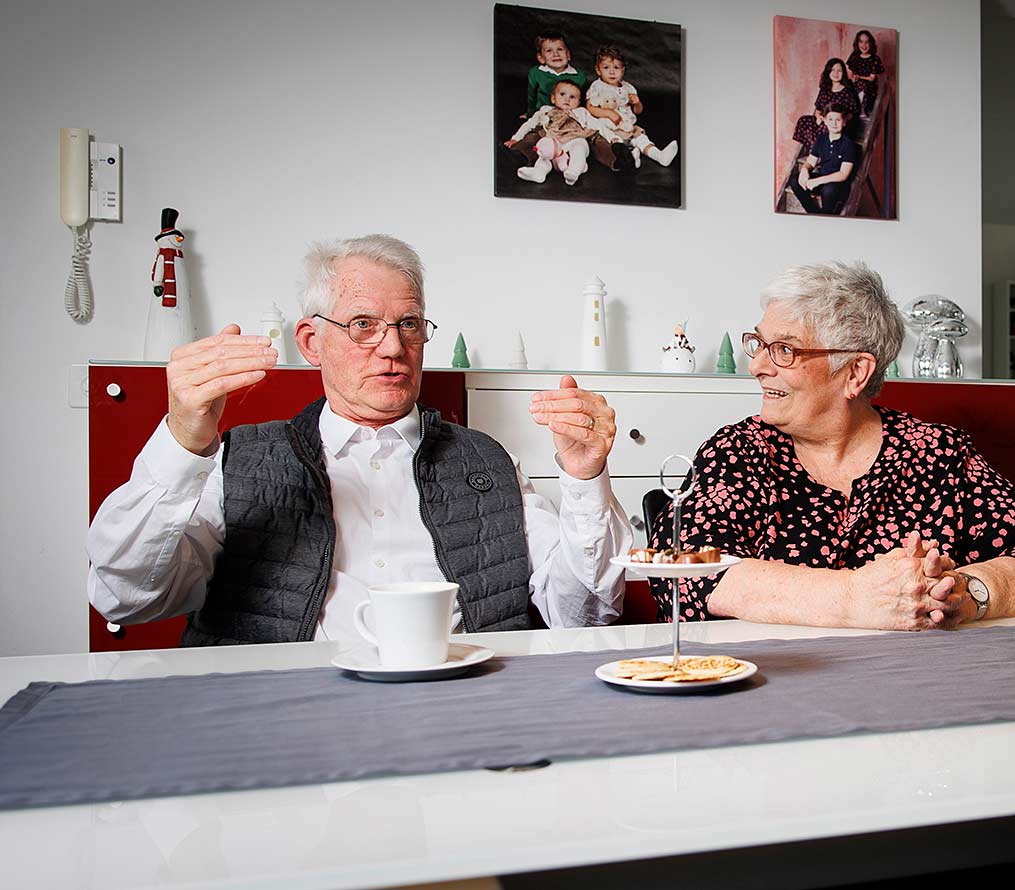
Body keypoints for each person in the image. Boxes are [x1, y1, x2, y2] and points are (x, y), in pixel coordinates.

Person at [88, 235, 631, 645]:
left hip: (461, 716)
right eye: (363, 324)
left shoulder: (486, 459)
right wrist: (182, 443)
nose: (392, 347)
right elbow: (125, 596)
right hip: (282, 728)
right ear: (311, 341)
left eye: (409, 324)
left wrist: (585, 481)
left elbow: (584, 618)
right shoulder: (239, 459)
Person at [647, 262, 1015, 630]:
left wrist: (967, 593)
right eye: (759, 344)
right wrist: (852, 597)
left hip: (918, 690)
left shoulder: (938, 455)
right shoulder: (738, 452)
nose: (757, 366)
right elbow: (679, 570)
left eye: (783, 350)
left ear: (855, 372)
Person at [505, 81, 619, 185]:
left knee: (579, 148)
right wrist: (516, 138)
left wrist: (613, 137)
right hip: (554, 143)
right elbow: (530, 124)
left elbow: (598, 125)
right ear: (553, 98)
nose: (567, 99)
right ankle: (539, 172)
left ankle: (573, 171)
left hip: (574, 139)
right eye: (562, 94)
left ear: (579, 102)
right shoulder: (545, 110)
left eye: (572, 97)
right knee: (543, 153)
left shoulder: (581, 112)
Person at [584, 45, 679, 168]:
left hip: (628, 127)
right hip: (609, 129)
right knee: (613, 144)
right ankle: (631, 156)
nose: (612, 72)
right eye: (606, 68)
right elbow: (590, 108)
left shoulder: (627, 87)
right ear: (598, 70)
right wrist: (608, 113)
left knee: (641, 138)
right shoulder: (597, 86)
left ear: (623, 70)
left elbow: (638, 111)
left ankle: (659, 155)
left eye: (616, 68)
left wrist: (637, 103)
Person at [787, 104, 856, 215]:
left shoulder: (848, 144)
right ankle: (813, 213)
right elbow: (811, 161)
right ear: (825, 121)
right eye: (830, 119)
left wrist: (817, 181)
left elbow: (843, 174)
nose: (834, 123)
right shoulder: (821, 139)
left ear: (844, 122)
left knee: (829, 191)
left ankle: (826, 216)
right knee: (794, 180)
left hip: (838, 184)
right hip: (822, 179)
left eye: (838, 120)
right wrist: (804, 170)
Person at [790, 58, 859, 151]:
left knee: (826, 126)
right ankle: (815, 150)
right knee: (803, 120)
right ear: (828, 72)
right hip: (825, 121)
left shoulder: (847, 91)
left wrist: (838, 120)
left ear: (843, 73)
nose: (836, 73)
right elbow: (818, 109)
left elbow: (852, 113)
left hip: (839, 124)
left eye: (839, 70)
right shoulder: (825, 90)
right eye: (833, 70)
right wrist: (819, 117)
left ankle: (819, 153)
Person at [524, 29, 586, 118]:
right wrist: (530, 114)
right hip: (543, 115)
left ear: (568, 55)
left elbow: (580, 101)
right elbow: (531, 97)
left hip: (569, 115)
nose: (556, 54)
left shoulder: (579, 76)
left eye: (560, 49)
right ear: (541, 58)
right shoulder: (535, 73)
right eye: (549, 51)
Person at [845, 30, 885, 115]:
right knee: (845, 85)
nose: (864, 45)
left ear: (871, 43)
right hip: (855, 84)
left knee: (862, 84)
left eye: (867, 42)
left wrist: (859, 77)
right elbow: (850, 73)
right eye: (861, 42)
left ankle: (861, 110)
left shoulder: (875, 59)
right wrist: (853, 78)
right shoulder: (854, 56)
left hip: (869, 87)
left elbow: (871, 78)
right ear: (857, 43)